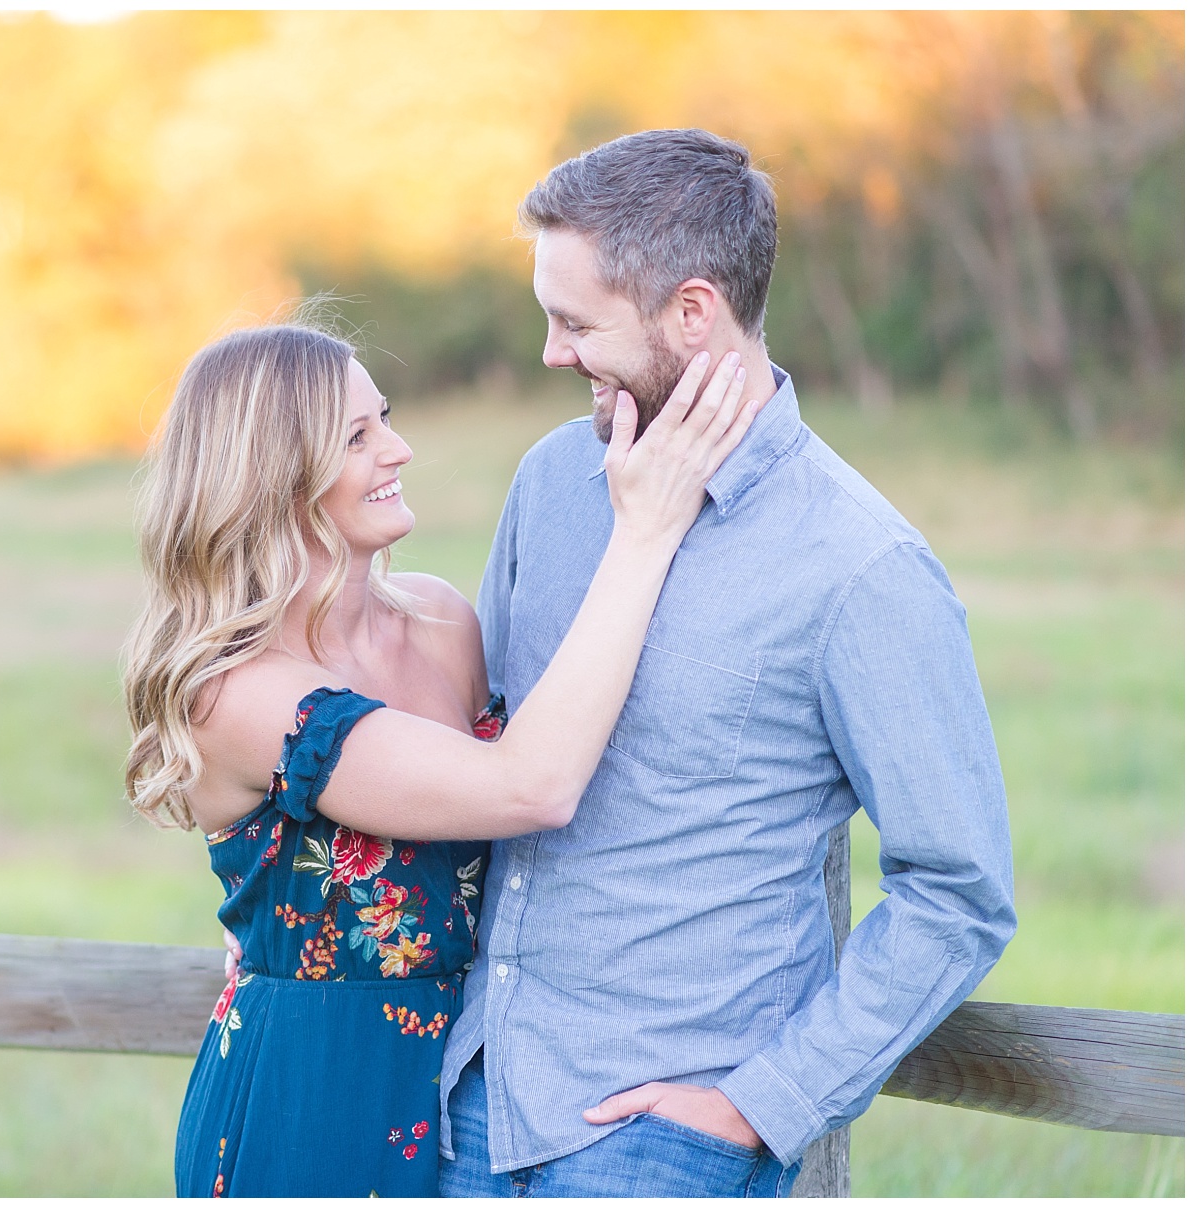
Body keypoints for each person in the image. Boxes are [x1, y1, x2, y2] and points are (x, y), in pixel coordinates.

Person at [436, 128, 1017, 1198]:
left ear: (693, 312)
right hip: (473, 1100)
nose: (553, 354)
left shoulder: (861, 565)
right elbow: (483, 754)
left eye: (577, 323)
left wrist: (764, 1102)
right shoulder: (552, 482)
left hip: (665, 1145)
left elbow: (959, 892)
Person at [121, 317, 761, 1197]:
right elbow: (532, 786)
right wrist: (644, 531)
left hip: (477, 1090)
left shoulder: (441, 621)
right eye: (357, 437)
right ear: (273, 476)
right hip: (309, 1103)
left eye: (384, 418)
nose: (399, 449)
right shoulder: (237, 696)